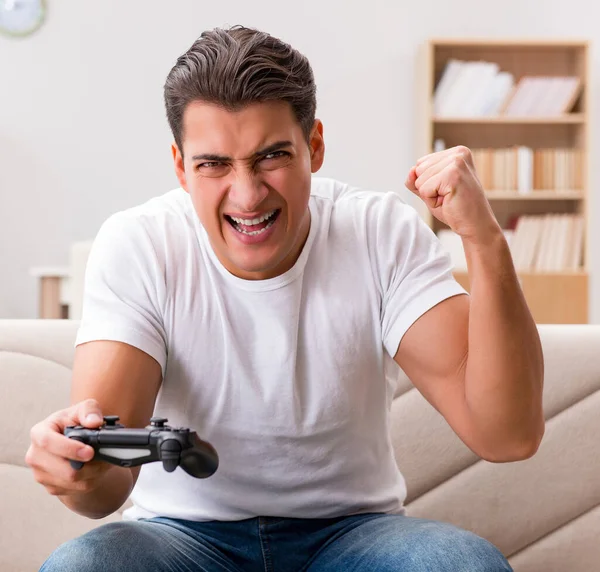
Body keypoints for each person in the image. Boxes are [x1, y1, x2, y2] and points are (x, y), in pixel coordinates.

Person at [27, 25, 544, 572]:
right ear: (181, 166)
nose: (247, 195)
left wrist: (484, 239)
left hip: (354, 535)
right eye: (214, 164)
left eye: (271, 156)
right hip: (183, 539)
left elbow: (506, 435)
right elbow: (104, 490)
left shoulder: (378, 233)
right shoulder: (140, 245)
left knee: (465, 565)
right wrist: (76, 472)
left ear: (314, 146)